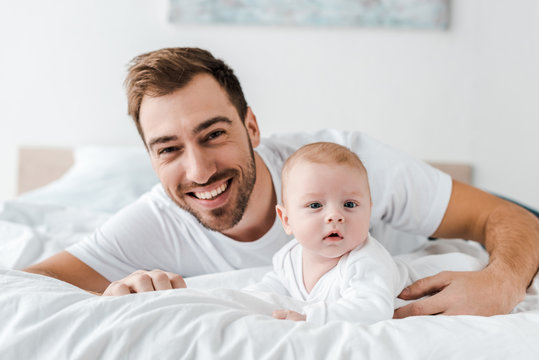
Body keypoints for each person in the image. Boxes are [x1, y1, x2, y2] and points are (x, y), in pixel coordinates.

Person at [23, 47, 539, 318]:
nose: (199, 171)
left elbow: (504, 217)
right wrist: (116, 288)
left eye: (214, 134)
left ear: (251, 126)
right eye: (169, 149)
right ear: (150, 158)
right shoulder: (150, 224)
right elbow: (24, 287)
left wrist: (503, 281)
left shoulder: (345, 161)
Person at [246, 142, 484, 324]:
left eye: (349, 205)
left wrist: (311, 316)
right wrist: (249, 300)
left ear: (369, 212)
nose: (335, 216)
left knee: (469, 261)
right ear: (286, 219)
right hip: (406, 264)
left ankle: (469, 253)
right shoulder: (289, 258)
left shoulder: (365, 261)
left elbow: (372, 308)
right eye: (315, 205)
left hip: (435, 278)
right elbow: (275, 284)